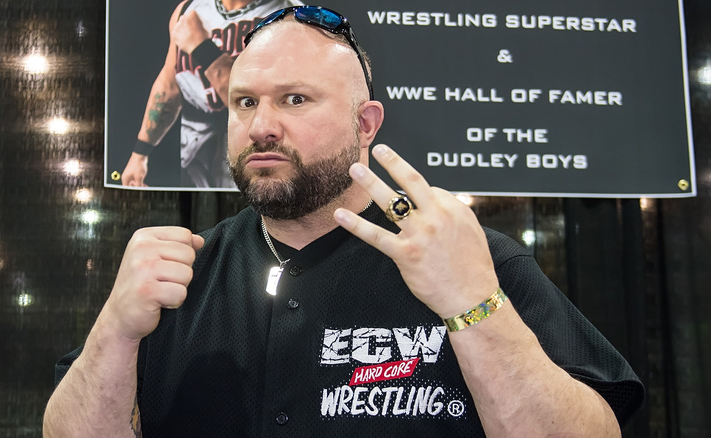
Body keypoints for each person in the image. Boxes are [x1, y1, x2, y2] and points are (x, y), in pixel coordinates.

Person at [45, 6, 644, 437]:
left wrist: (475, 305)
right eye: (246, 102)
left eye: (295, 99)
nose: (261, 127)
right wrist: (115, 331)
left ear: (366, 124)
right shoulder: (181, 278)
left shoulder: (472, 260)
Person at [121, 0, 302, 189]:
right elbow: (169, 86)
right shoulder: (187, 9)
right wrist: (140, 154)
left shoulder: (291, 15)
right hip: (192, 156)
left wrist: (201, 47)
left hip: (250, 153)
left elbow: (257, 102)